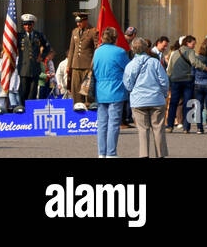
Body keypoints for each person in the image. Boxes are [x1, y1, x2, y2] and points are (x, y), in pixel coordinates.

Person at [122, 37, 169, 158]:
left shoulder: (130, 65)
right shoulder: (155, 62)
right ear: (146, 48)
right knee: (158, 128)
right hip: (156, 99)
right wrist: (163, 94)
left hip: (138, 100)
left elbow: (127, 84)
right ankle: (160, 154)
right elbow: (164, 81)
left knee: (143, 130)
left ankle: (144, 155)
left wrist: (134, 91)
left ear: (133, 50)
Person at [91, 27, 128, 158]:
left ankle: (102, 153)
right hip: (116, 89)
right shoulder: (120, 52)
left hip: (100, 89)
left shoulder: (97, 52)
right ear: (115, 38)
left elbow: (94, 69)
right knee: (114, 123)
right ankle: (111, 153)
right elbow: (127, 69)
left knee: (102, 124)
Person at [13, 14, 51, 113]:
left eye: (29, 25)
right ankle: (23, 109)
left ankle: (30, 111)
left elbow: (47, 47)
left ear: (33, 24)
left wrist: (41, 57)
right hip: (23, 68)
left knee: (33, 91)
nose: (27, 27)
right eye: (25, 25)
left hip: (35, 68)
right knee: (23, 90)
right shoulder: (19, 36)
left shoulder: (39, 35)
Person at [165, 35, 197, 132]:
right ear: (187, 43)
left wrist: (169, 80)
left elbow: (169, 68)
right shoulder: (190, 52)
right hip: (187, 80)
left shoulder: (174, 53)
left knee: (173, 103)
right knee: (187, 103)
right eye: (193, 44)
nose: (194, 46)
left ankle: (170, 125)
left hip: (175, 81)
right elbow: (194, 62)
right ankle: (186, 127)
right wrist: (204, 68)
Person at [67, 11, 96, 111]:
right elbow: (72, 49)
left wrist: (93, 65)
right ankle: (77, 109)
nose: (78, 24)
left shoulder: (92, 31)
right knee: (75, 90)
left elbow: (96, 49)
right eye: (77, 22)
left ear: (85, 21)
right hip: (75, 65)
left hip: (88, 66)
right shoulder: (74, 31)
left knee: (88, 91)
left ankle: (90, 110)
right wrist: (68, 65)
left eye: (80, 22)